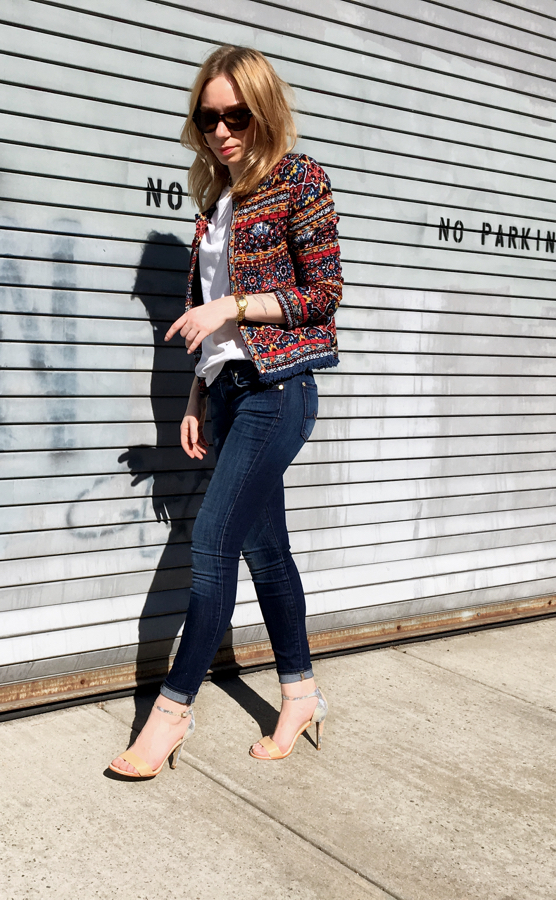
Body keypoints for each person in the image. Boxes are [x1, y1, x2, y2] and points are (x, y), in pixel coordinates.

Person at [109, 45, 342, 778]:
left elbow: (323, 295)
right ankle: (300, 694)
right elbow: (202, 323)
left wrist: (233, 306)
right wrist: (194, 395)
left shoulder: (299, 180)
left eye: (236, 114)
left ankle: (169, 716)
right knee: (265, 549)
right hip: (231, 394)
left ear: (263, 109)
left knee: (210, 543)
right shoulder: (214, 203)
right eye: (208, 117)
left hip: (280, 391)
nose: (221, 130)